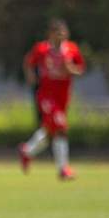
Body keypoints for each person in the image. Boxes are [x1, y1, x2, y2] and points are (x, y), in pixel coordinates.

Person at [19, 19, 85, 180]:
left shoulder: (71, 49)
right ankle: (63, 169)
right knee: (61, 128)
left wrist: (71, 69)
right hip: (47, 96)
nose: (61, 36)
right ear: (50, 34)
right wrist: (31, 76)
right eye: (57, 33)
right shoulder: (42, 49)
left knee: (50, 132)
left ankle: (27, 150)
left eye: (63, 33)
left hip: (63, 96)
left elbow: (80, 69)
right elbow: (28, 62)